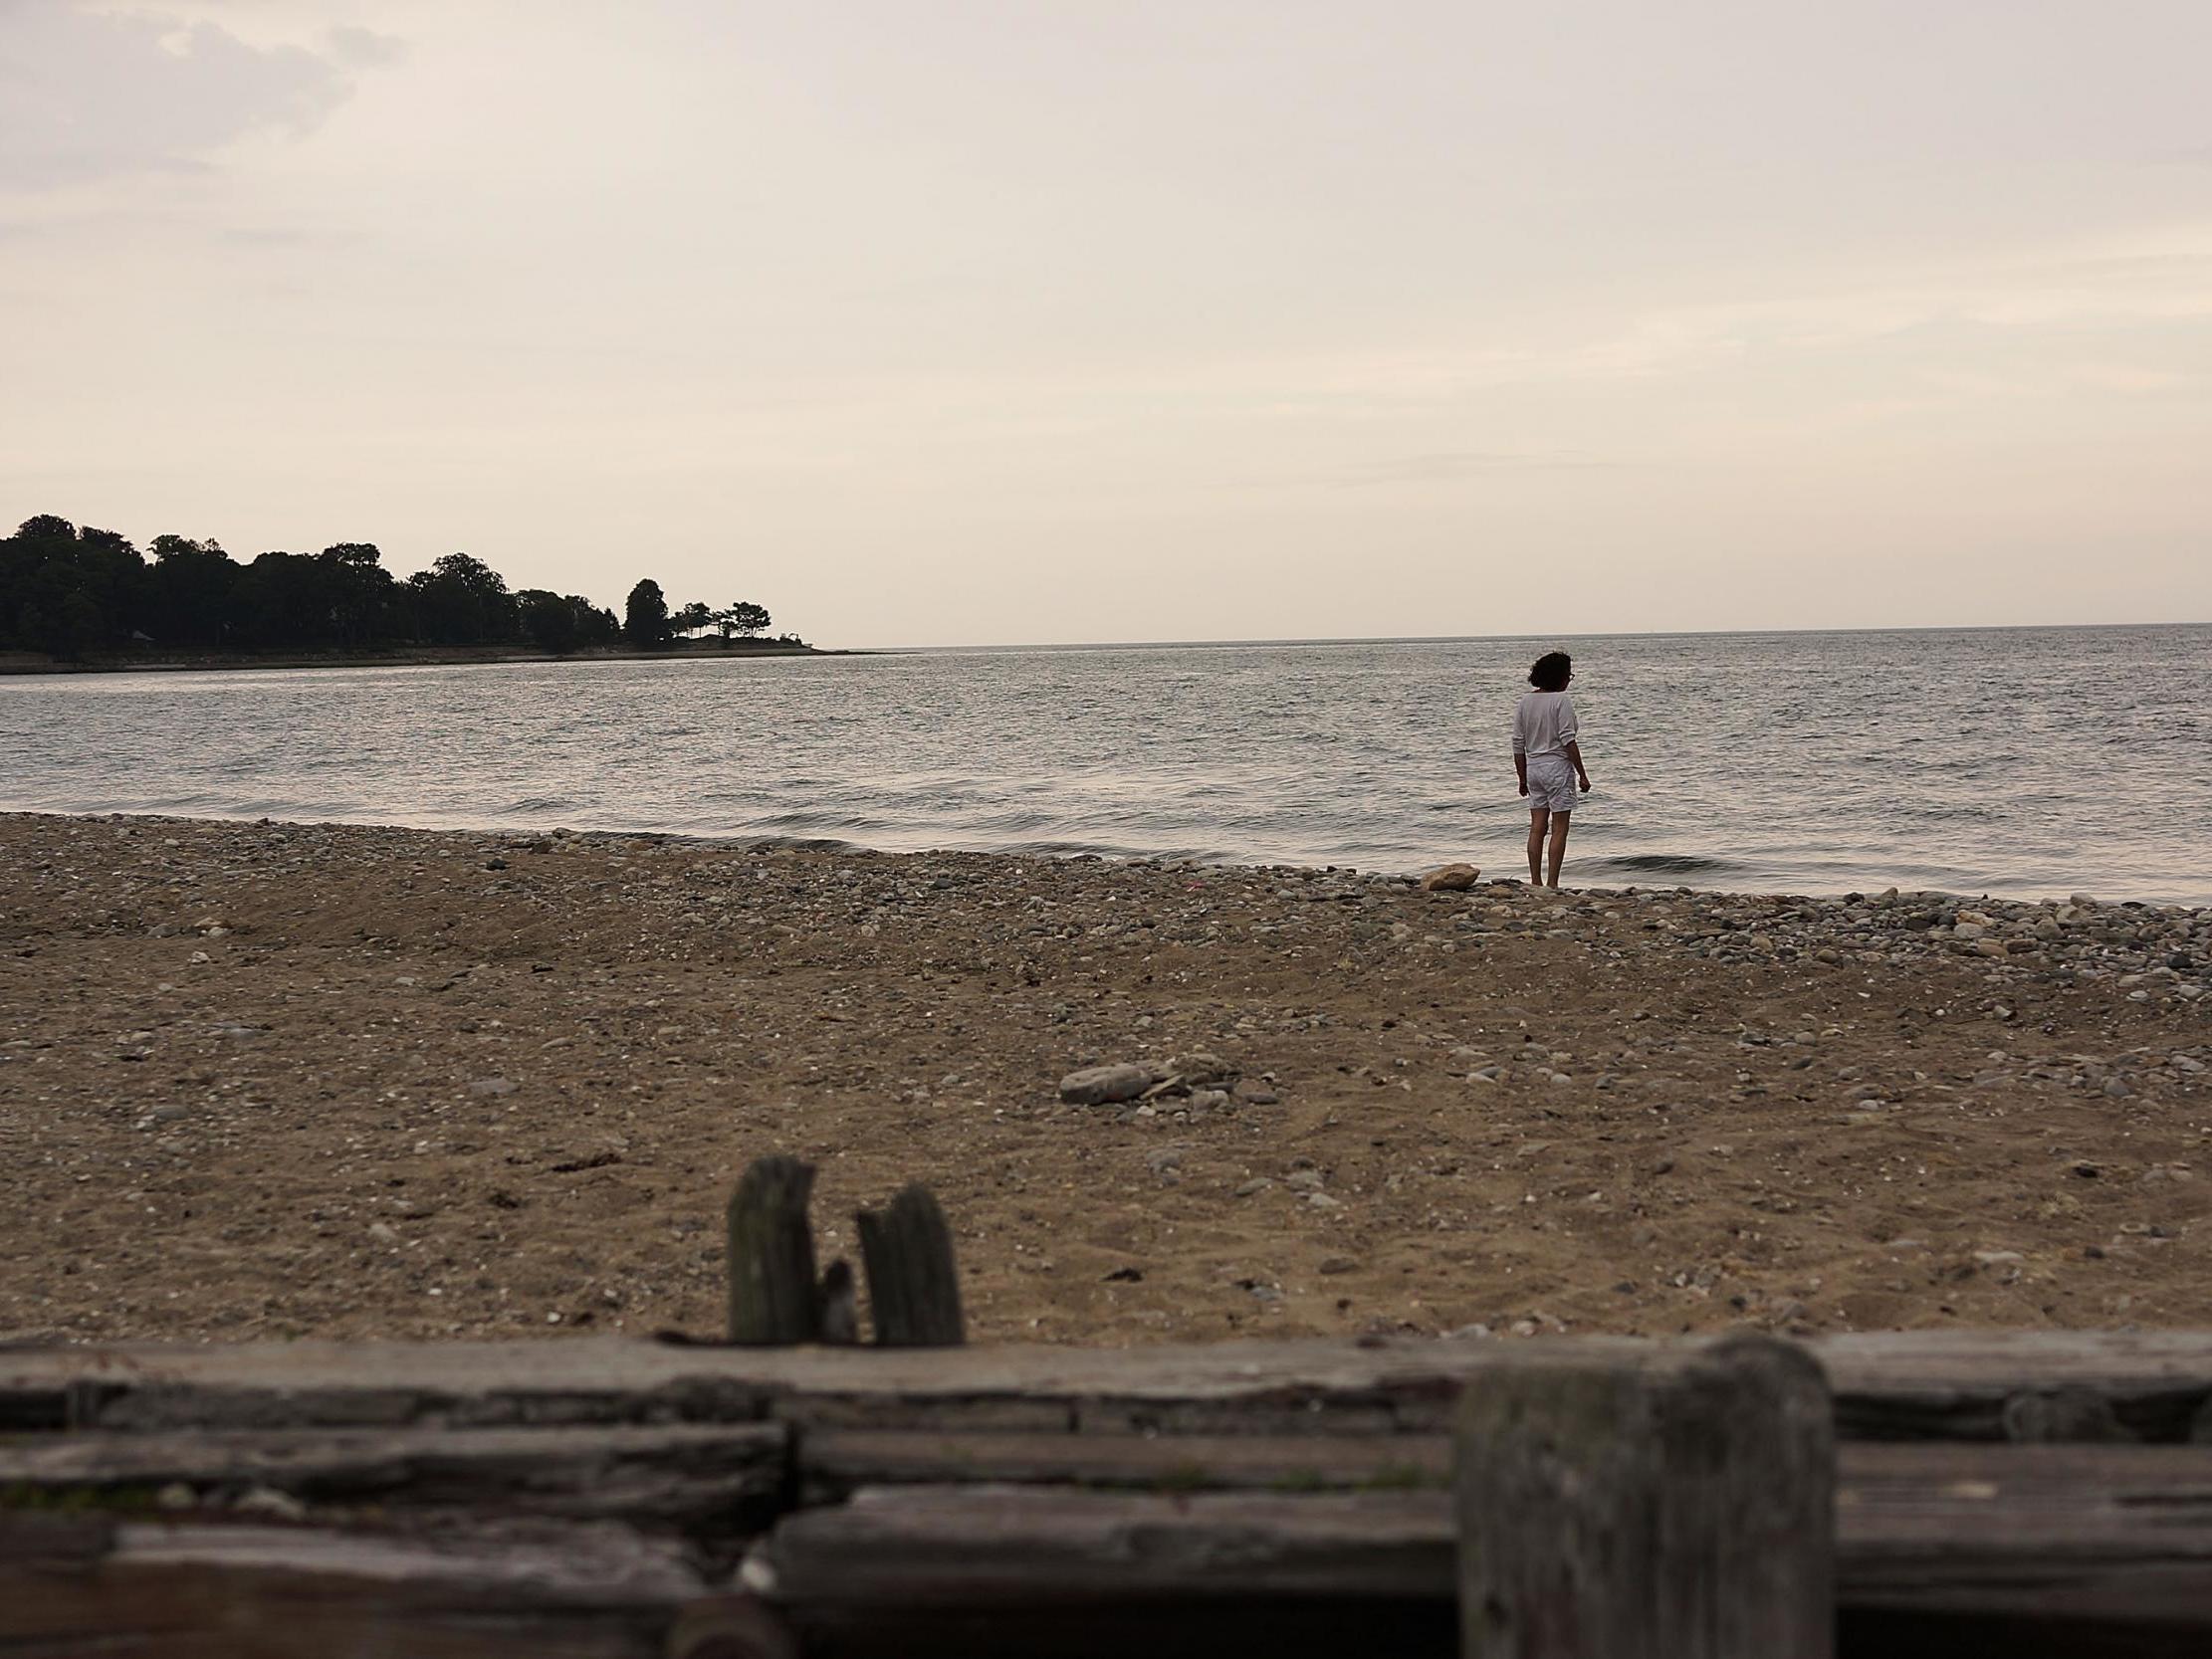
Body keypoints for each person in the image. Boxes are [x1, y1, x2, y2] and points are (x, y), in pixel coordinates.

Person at [1512, 650, 1591, 887]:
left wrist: (1522, 777)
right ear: (1559, 677)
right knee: (1559, 829)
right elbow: (1568, 740)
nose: (1569, 679)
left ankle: (1535, 881)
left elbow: (1518, 742)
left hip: (1534, 769)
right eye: (1568, 674)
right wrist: (1582, 774)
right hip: (1557, 768)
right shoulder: (1561, 701)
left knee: (1537, 828)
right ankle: (1552, 883)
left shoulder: (1525, 701)